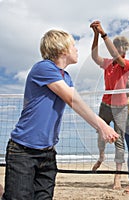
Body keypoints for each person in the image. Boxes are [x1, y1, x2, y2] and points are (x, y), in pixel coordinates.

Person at [1, 29, 119, 200]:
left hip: (48, 154)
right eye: (73, 45)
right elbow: (73, 100)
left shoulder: (67, 77)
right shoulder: (43, 68)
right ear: (62, 49)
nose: (77, 49)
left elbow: (77, 103)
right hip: (23, 152)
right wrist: (102, 125)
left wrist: (100, 125)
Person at [90, 20, 129, 189]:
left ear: (124, 50)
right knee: (100, 132)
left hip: (120, 107)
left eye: (121, 47)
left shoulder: (126, 64)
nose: (118, 49)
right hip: (106, 104)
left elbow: (117, 56)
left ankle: (117, 177)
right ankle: (101, 156)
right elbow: (94, 56)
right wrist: (95, 35)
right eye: (117, 46)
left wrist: (104, 33)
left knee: (119, 141)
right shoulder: (107, 63)